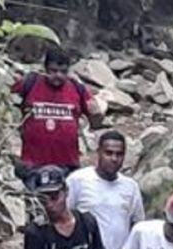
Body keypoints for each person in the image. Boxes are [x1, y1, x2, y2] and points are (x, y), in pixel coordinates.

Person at [11, 48, 104, 182]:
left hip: (67, 165)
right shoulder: (30, 83)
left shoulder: (77, 88)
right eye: (54, 71)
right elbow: (5, 97)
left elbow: (96, 123)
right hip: (33, 165)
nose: (58, 75)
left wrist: (96, 113)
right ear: (45, 69)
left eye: (63, 71)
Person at [66, 130, 145, 249]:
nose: (114, 158)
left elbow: (137, 227)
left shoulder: (131, 187)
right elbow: (63, 218)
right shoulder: (77, 180)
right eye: (108, 153)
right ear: (99, 153)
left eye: (119, 154)